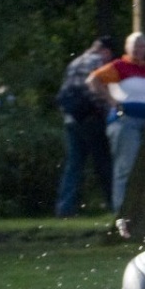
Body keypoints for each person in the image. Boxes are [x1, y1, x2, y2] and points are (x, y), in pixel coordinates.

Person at [54, 35, 118, 218]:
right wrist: (109, 109)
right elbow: (95, 90)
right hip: (90, 119)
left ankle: (65, 208)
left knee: (74, 163)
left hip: (71, 119)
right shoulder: (97, 61)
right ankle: (113, 204)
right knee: (103, 162)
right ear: (105, 50)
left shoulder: (75, 62)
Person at [90, 32, 145, 208]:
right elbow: (93, 79)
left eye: (142, 45)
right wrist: (111, 100)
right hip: (125, 121)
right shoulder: (119, 66)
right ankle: (120, 208)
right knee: (125, 168)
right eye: (135, 45)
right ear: (127, 47)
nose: (138, 49)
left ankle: (139, 207)